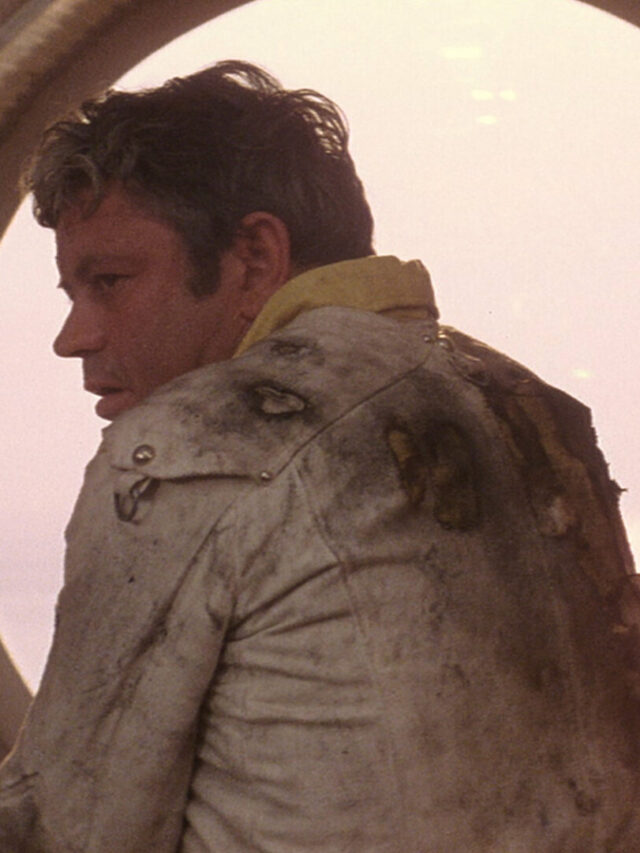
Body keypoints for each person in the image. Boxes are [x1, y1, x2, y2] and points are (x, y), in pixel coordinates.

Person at [1, 60, 639, 853]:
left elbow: (72, 828)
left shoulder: (190, 449)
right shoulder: (538, 411)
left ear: (256, 257)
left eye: (109, 280)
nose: (74, 337)